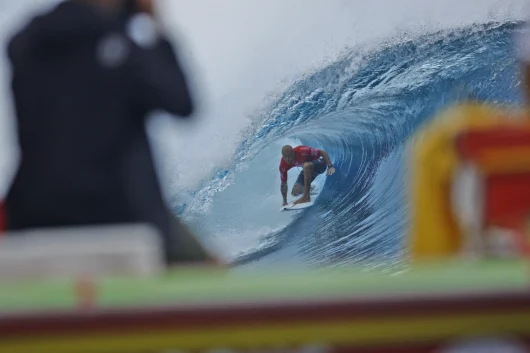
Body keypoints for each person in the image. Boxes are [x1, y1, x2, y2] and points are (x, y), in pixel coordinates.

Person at [3, 0, 220, 266]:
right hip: (121, 215)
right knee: (210, 267)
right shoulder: (121, 50)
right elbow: (182, 103)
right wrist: (156, 26)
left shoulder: (24, 43)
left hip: (35, 217)